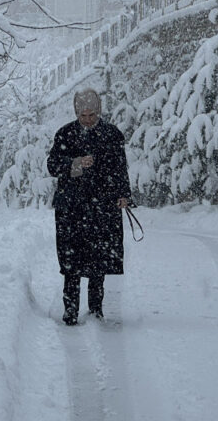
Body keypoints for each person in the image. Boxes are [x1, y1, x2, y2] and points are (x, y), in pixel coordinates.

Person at [47, 89, 131, 325]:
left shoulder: (111, 134)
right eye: (82, 115)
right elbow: (52, 165)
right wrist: (75, 164)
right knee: (71, 263)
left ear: (98, 111)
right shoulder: (65, 134)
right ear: (76, 113)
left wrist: (123, 194)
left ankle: (96, 310)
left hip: (101, 207)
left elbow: (120, 168)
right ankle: (70, 311)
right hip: (71, 209)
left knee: (98, 261)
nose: (87, 119)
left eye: (91, 114)